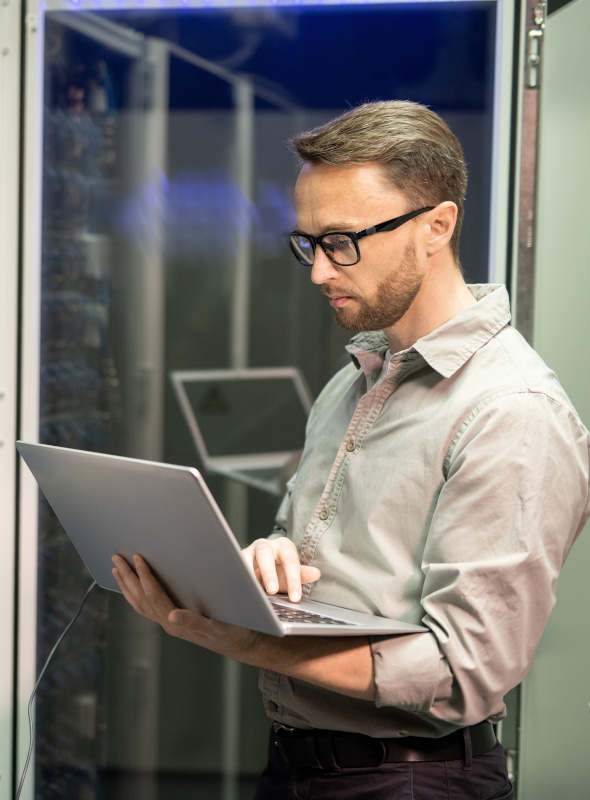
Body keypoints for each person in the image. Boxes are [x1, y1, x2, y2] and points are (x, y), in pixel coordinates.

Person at [112, 101, 590, 799]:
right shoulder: (355, 377)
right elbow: (306, 546)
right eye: (308, 243)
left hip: (412, 782)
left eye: (343, 241)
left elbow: (462, 672)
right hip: (301, 764)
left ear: (437, 226)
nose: (318, 272)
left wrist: (241, 640)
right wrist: (268, 561)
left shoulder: (512, 411)